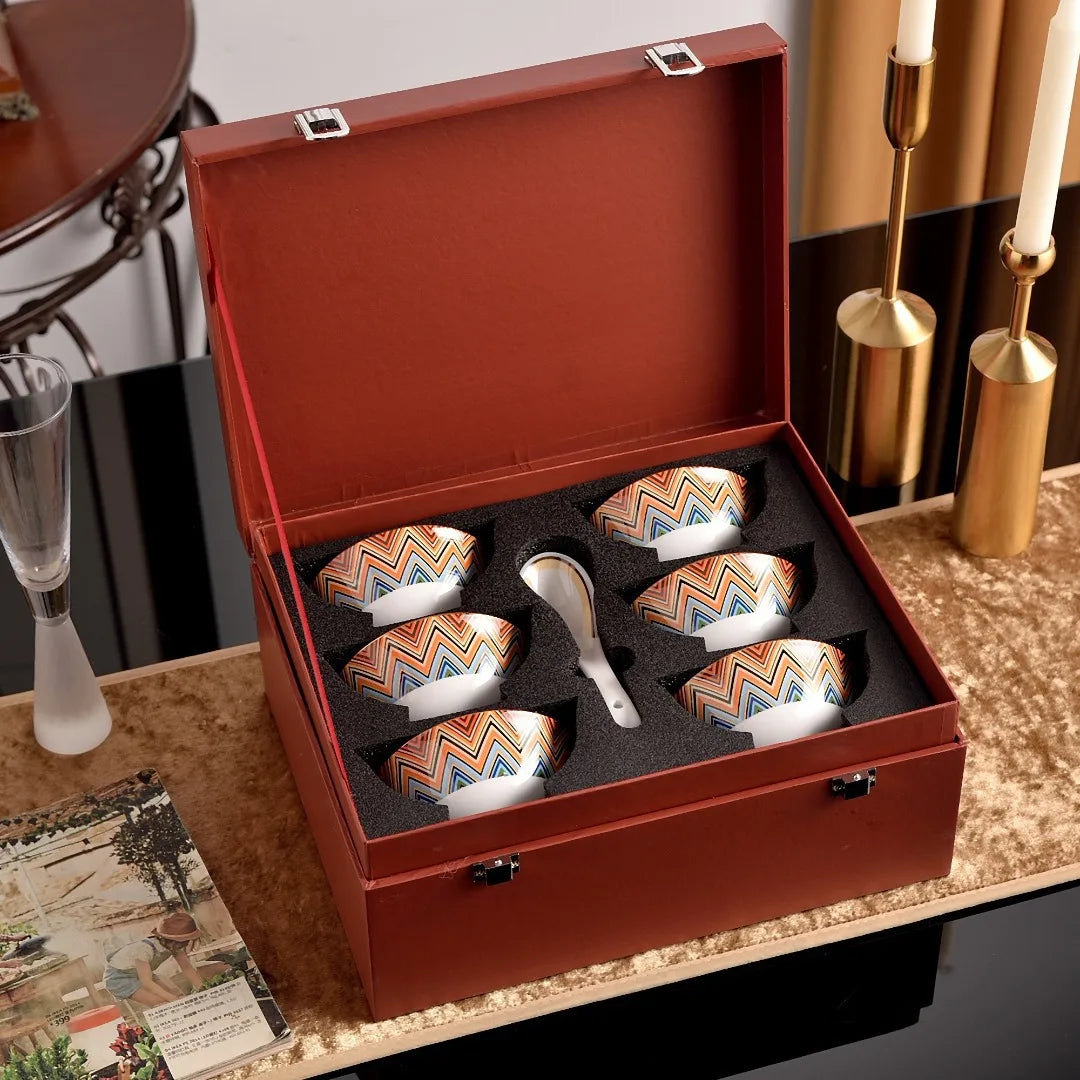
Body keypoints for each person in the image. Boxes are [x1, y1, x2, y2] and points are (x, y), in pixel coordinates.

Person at [104, 912, 205, 1005]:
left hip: (140, 973)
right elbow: (146, 981)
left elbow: (187, 967)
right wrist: (172, 999)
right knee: (162, 1002)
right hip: (118, 977)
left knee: (175, 994)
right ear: (172, 941)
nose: (185, 945)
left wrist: (203, 990)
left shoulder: (174, 945)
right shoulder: (144, 950)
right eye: (183, 942)